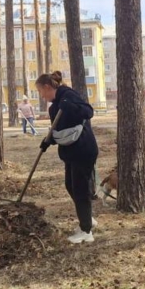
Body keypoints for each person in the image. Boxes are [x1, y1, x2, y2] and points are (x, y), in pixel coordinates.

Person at [36, 71, 99, 244]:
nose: (42, 96)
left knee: (80, 188)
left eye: (41, 92)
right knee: (70, 185)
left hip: (83, 149)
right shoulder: (53, 106)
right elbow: (60, 131)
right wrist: (48, 142)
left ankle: (86, 231)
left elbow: (88, 112)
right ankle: (87, 218)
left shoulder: (68, 95)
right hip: (71, 151)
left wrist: (70, 106)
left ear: (48, 87)